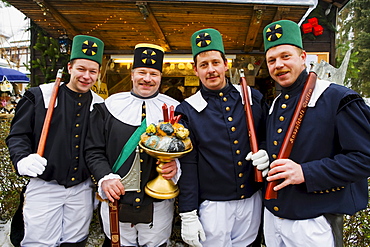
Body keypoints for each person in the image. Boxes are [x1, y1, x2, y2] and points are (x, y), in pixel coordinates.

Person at [262, 20, 370, 247]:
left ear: (303, 57)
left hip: (314, 222)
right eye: (272, 60)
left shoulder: (338, 98)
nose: (278, 65)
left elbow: (364, 158)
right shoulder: (275, 104)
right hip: (273, 219)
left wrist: (305, 172)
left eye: (285, 56)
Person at [6, 35, 105, 246]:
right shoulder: (39, 95)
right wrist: (22, 158)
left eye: (92, 71)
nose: (86, 76)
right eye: (81, 69)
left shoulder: (100, 105)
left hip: (82, 189)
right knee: (39, 242)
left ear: (98, 73)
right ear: (70, 67)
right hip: (45, 186)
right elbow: (18, 135)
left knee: (75, 241)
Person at [175, 28, 269, 246]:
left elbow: (268, 136)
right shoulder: (187, 111)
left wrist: (267, 153)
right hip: (213, 206)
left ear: (226, 64)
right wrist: (188, 213)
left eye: (215, 63)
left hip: (251, 201)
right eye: (204, 65)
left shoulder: (252, 97)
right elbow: (188, 165)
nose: (211, 70)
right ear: (195, 69)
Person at [84, 43, 180, 247]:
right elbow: (93, 150)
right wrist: (105, 177)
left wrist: (176, 167)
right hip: (116, 201)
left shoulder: (175, 110)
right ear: (132, 74)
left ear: (160, 77)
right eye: (142, 72)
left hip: (158, 205)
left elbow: (187, 152)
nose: (147, 79)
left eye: (153, 73)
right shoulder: (107, 107)